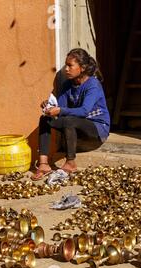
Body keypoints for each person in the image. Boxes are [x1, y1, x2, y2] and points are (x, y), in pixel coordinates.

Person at [31, 48, 110, 180]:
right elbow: (61, 108)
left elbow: (84, 110)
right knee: (45, 119)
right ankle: (44, 164)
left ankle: (70, 163)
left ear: (82, 68)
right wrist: (50, 107)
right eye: (66, 65)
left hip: (97, 129)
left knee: (69, 120)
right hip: (77, 126)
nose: (66, 69)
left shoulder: (93, 85)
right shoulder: (68, 84)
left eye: (70, 66)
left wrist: (61, 110)